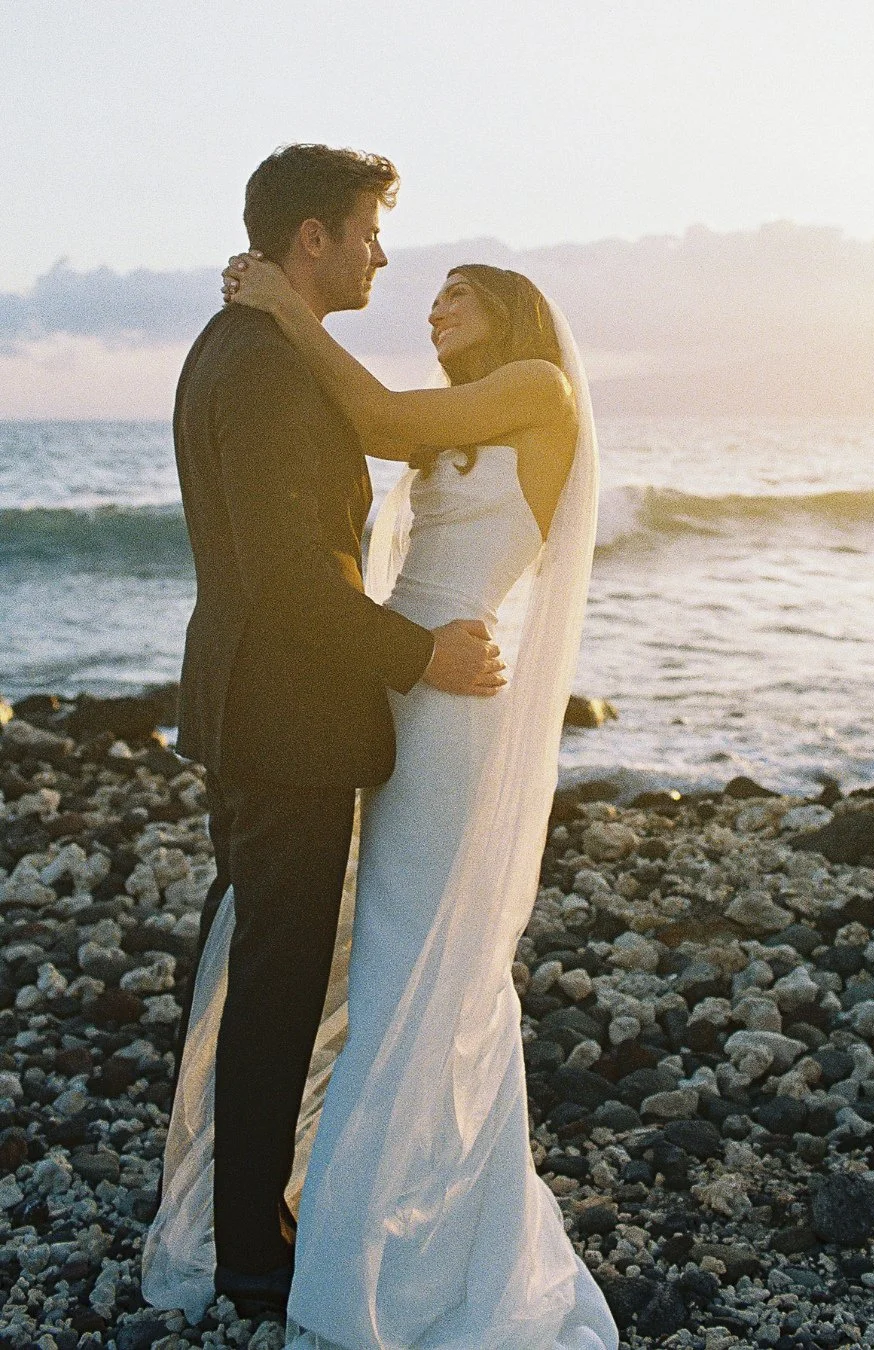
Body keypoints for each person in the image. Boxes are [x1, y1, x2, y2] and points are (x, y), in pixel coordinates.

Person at [145, 231, 619, 1342]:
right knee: (369, 950)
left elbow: (380, 422)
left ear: (512, 309)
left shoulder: (538, 388)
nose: (434, 304)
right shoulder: (473, 408)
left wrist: (283, 306)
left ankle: (412, 1233)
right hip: (392, 685)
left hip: (452, 698)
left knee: (419, 954)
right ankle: (359, 1208)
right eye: (434, 298)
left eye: (459, 294)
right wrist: (272, 313)